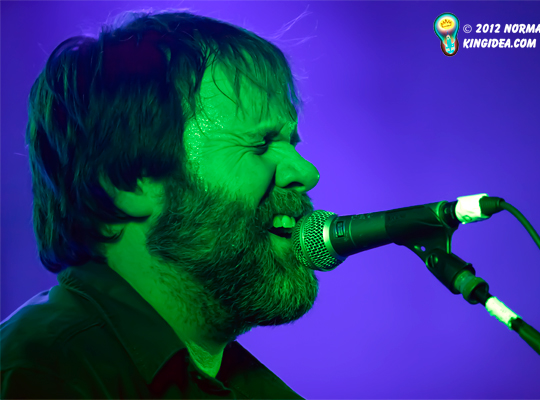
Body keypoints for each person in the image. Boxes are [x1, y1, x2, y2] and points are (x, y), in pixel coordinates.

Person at [1, 8, 320, 399]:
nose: (306, 172)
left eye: (292, 143)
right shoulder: (43, 377)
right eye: (260, 144)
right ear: (128, 182)